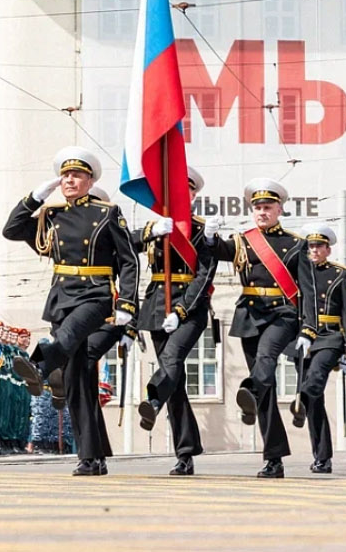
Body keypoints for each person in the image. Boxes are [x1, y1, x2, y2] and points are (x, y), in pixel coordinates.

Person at [5, 146, 139, 477]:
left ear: (90, 181)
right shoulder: (52, 215)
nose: (69, 179)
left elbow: (128, 260)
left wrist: (127, 303)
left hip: (95, 295)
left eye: (77, 175)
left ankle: (37, 364)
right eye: (65, 175)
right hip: (61, 297)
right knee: (77, 380)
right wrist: (35, 198)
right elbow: (12, 229)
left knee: (67, 338)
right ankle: (90, 457)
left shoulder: (107, 212)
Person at [204, 177, 316, 479]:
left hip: (282, 314)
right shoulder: (243, 239)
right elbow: (216, 252)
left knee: (266, 360)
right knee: (266, 389)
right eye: (257, 208)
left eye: (267, 207)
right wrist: (210, 236)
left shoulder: (295, 244)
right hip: (250, 314)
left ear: (279, 209)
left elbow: (309, 290)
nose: (262, 212)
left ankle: (249, 390)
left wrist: (308, 329)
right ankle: (274, 458)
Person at [134, 166, 217, 477]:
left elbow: (204, 275)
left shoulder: (201, 230)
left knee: (171, 360)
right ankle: (185, 453)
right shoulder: (158, 226)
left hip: (190, 309)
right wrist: (149, 233)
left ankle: (152, 399)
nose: (184, 195)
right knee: (176, 382)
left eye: (189, 190)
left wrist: (181, 311)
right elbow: (123, 245)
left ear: (194, 196)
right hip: (156, 305)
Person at [290, 222, 346, 474]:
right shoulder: (298, 272)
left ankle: (302, 398)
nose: (314, 250)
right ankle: (322, 457)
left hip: (330, 336)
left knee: (314, 380)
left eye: (319, 246)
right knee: (315, 403)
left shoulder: (340, 274)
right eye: (310, 246)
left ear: (328, 250)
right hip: (303, 338)